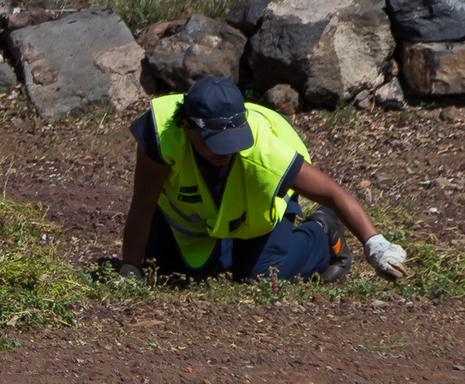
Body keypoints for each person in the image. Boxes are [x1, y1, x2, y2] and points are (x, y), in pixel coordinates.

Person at [118, 76, 410, 284]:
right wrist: (130, 268)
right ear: (187, 127)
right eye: (216, 142)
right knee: (164, 269)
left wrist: (376, 245)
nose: (228, 150)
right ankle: (227, 250)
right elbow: (142, 204)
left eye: (233, 140)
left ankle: (321, 232)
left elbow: (332, 193)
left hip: (258, 207)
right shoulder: (162, 136)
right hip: (201, 215)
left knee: (261, 275)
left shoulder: (265, 151)